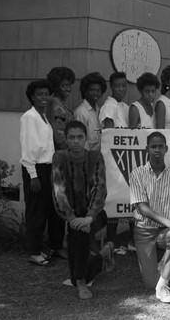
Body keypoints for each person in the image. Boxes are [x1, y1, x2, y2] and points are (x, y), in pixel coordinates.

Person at [52, 121, 113, 300]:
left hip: (95, 215)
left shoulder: (95, 157)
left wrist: (88, 217)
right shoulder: (59, 157)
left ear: (86, 138)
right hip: (72, 217)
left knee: (78, 234)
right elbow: (59, 191)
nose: (76, 141)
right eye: (72, 137)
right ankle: (101, 258)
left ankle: (80, 282)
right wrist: (72, 218)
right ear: (66, 139)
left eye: (80, 137)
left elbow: (100, 189)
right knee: (77, 232)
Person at [129, 132, 170, 303]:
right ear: (147, 149)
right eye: (153, 146)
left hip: (166, 231)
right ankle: (162, 270)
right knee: (149, 284)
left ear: (166, 149)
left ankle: (163, 284)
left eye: (160, 146)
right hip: (144, 230)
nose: (157, 150)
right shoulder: (137, 173)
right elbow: (143, 209)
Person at [20, 79, 64, 266]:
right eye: (39, 94)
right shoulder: (29, 117)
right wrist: (33, 175)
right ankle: (34, 251)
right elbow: (28, 149)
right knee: (36, 211)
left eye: (46, 94)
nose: (43, 97)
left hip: (48, 167)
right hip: (36, 169)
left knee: (52, 209)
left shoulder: (44, 116)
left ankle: (53, 246)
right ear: (32, 97)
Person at [99, 71, 130, 248]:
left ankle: (115, 241)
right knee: (112, 200)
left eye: (124, 86)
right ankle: (110, 241)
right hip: (112, 161)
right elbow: (110, 136)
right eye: (117, 86)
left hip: (123, 159)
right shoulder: (109, 106)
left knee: (120, 199)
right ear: (111, 87)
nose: (121, 89)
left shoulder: (124, 107)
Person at [74, 72, 107, 151]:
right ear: (85, 91)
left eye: (98, 90)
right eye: (92, 90)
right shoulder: (81, 112)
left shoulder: (98, 109)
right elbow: (80, 139)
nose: (96, 93)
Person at [46, 66, 76, 151]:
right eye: (64, 86)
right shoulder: (57, 107)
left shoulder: (58, 103)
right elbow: (60, 137)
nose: (68, 89)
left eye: (69, 85)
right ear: (55, 87)